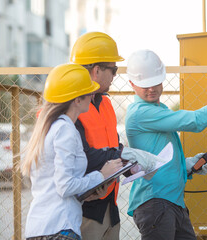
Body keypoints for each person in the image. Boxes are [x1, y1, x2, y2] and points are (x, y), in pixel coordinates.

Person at [125, 49, 207, 240]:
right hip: (156, 203)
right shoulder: (140, 113)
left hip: (170, 203)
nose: (151, 89)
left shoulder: (156, 109)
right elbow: (196, 120)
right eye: (144, 85)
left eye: (155, 82)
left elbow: (158, 154)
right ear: (132, 84)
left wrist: (185, 166)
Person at [70, 32, 164, 240]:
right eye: (113, 70)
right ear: (96, 71)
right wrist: (126, 156)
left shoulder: (105, 104)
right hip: (85, 209)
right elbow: (83, 157)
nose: (115, 75)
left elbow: (112, 146)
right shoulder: (73, 108)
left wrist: (132, 168)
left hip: (109, 207)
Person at [20, 63, 124, 239]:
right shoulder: (65, 130)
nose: (93, 95)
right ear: (77, 100)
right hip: (60, 228)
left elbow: (56, 187)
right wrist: (101, 175)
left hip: (43, 227)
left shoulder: (51, 127)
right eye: (89, 91)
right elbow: (65, 186)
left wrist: (85, 196)